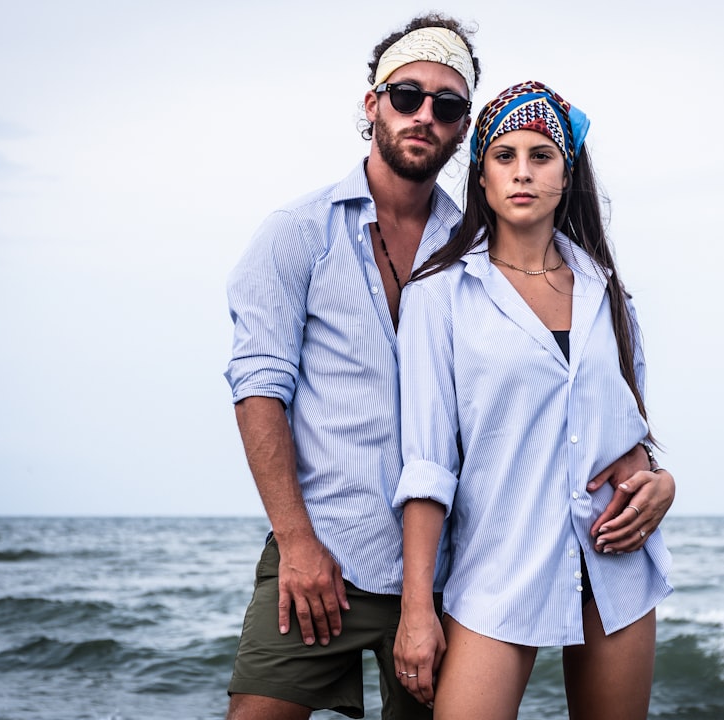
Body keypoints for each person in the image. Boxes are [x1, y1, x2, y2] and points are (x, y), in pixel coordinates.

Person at [223, 13, 675, 718]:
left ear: (463, 129)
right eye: (407, 95)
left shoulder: (545, 271)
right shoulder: (313, 239)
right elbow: (259, 390)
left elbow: (611, 428)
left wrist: (657, 476)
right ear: (372, 102)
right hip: (332, 552)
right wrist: (297, 541)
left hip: (478, 567)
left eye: (448, 105)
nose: (424, 115)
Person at [393, 81, 673, 720]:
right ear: (481, 176)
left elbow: (628, 438)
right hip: (499, 566)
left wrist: (663, 481)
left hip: (615, 561)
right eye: (505, 156)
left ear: (567, 175)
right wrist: (416, 610)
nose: (523, 172)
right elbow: (428, 463)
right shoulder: (439, 296)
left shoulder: (610, 295)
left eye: (541, 156)